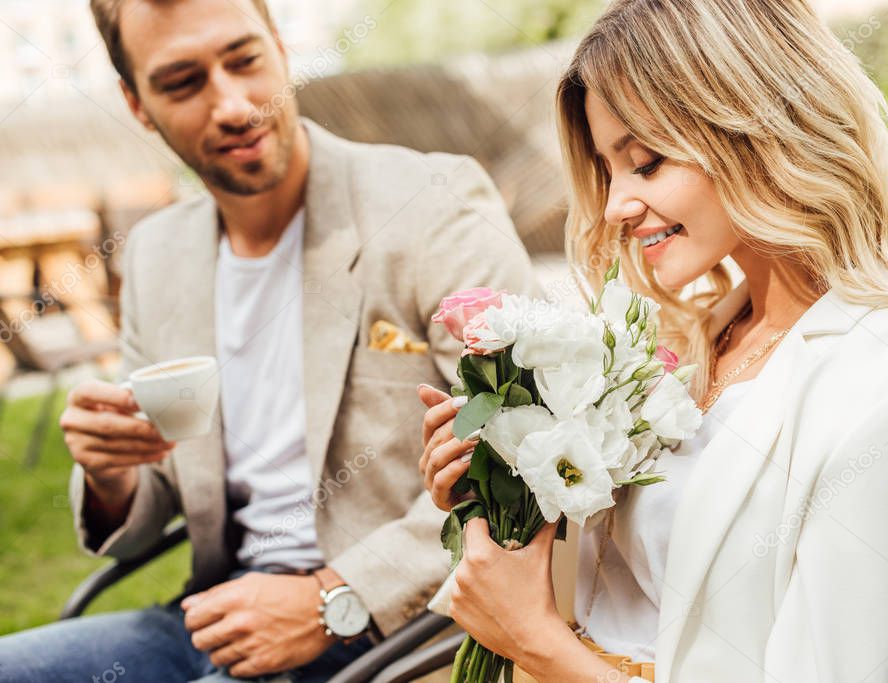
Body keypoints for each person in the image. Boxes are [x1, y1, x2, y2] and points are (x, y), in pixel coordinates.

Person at [417, 1, 888, 681]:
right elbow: (629, 590)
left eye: (646, 162)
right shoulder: (701, 339)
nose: (614, 207)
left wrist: (536, 641)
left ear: (755, 130)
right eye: (608, 170)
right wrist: (498, 488)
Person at [0, 0, 537, 681]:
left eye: (244, 60)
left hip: (395, 630)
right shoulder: (156, 255)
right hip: (212, 617)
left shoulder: (432, 202)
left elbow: (525, 456)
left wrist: (331, 598)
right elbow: (159, 487)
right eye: (182, 83)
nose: (232, 105)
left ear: (280, 48)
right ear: (137, 105)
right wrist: (112, 472)